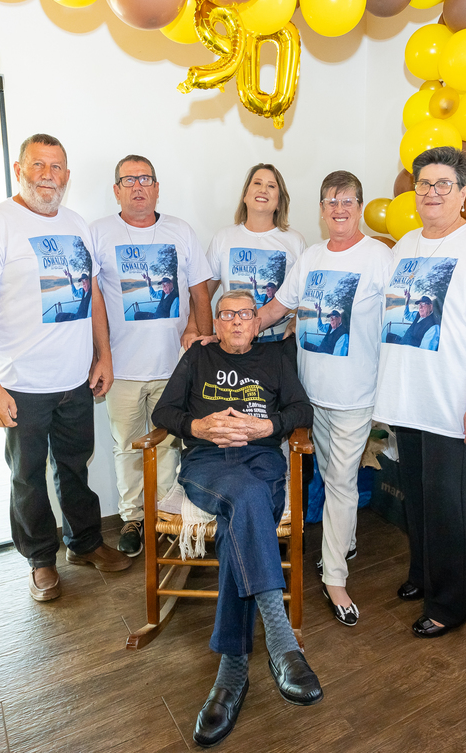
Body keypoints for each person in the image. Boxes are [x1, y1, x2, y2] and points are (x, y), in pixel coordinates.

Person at [0, 133, 130, 603]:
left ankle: (85, 543)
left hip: (75, 378)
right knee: (27, 476)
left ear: (67, 176)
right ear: (19, 170)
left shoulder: (76, 224)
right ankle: (40, 560)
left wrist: (104, 355)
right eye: (38, 165)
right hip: (21, 384)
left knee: (75, 467)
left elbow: (92, 296)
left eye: (56, 167)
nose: (47, 175)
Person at [153, 290, 321, 747]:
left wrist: (268, 427)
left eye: (245, 314)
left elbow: (301, 410)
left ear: (256, 322)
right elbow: (163, 411)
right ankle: (282, 645)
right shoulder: (198, 357)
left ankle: (232, 673)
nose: (237, 321)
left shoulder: (276, 358)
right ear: (217, 323)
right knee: (246, 500)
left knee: (238, 523)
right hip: (208, 464)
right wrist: (198, 427)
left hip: (261, 461)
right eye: (227, 314)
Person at [372, 146, 466, 638]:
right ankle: (423, 574)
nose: (431, 192)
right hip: (406, 398)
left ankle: (450, 603)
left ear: (462, 193)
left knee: (446, 508)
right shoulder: (405, 245)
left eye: (443, 185)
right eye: (424, 184)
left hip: (451, 404)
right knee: (416, 499)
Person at [254, 171, 392, 627]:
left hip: (355, 396)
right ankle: (343, 540)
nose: (339, 208)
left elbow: (395, 326)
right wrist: (241, 326)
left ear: (359, 207)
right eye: (331, 201)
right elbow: (279, 306)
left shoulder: (378, 256)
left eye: (347, 200)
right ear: (320, 209)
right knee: (333, 477)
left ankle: (334, 578)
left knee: (341, 482)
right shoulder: (311, 257)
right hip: (311, 397)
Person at [90, 155, 213, 557]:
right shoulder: (99, 233)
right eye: (129, 180)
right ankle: (133, 518)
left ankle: (164, 514)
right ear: (117, 190)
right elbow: (94, 300)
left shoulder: (180, 230)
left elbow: (200, 293)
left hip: (173, 367)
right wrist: (101, 356)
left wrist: (202, 344)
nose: (138, 187)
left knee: (169, 445)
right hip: (121, 368)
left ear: (157, 188)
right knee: (126, 445)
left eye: (146, 179)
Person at [206, 164, 305, 343]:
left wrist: (297, 320)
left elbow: (305, 296)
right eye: (257, 183)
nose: (263, 190)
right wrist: (204, 336)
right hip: (233, 341)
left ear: (279, 201)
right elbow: (203, 295)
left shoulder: (295, 241)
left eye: (271, 186)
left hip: (278, 341)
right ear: (245, 195)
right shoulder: (223, 237)